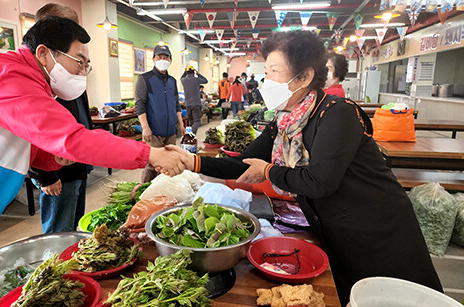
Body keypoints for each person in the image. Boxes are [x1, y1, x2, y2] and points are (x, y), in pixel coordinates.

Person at [169, 31, 442, 306]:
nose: (267, 80)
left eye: (274, 71)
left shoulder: (337, 113)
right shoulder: (285, 120)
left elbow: (319, 182)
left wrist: (268, 172)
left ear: (303, 77)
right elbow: (244, 162)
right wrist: (191, 162)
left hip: (376, 227)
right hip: (333, 224)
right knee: (351, 294)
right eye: (267, 71)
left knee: (394, 297)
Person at [0, 16, 184, 305]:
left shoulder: (34, 84)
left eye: (86, 65)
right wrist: (150, 154)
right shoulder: (6, 73)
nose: (83, 71)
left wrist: (54, 160)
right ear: (44, 53)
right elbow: (72, 139)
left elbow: (37, 145)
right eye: (79, 61)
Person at [27, 3, 92, 234]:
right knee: (58, 232)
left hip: (76, 165)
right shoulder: (35, 77)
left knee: (74, 230)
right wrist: (45, 176)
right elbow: (32, 132)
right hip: (56, 172)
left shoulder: (67, 69)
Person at [135, 44, 186, 182]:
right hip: (153, 132)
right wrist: (145, 127)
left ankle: (162, 194)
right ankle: (144, 192)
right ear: (153, 59)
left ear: (170, 60)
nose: (163, 59)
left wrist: (181, 124)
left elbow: (176, 104)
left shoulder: (172, 81)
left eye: (166, 57)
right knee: (153, 165)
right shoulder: (145, 79)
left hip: (170, 131)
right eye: (160, 56)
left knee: (169, 165)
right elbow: (140, 104)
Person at [180, 65, 208, 135]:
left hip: (188, 104)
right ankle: (192, 135)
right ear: (193, 72)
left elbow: (181, 77)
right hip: (196, 103)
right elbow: (205, 81)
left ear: (187, 72)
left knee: (191, 121)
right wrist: (198, 74)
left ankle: (189, 134)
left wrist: (185, 72)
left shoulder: (184, 80)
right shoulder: (196, 79)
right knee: (196, 121)